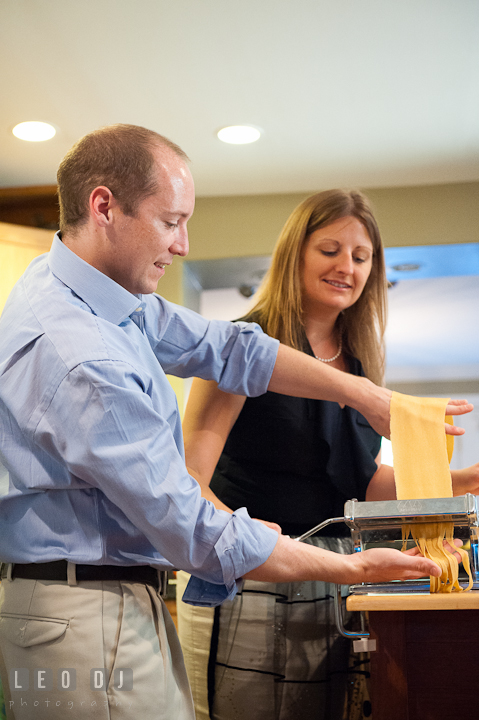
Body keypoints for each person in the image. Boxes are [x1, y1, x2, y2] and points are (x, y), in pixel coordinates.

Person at [0, 126, 470, 720]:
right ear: (104, 208)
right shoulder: (82, 356)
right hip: (92, 604)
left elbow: (229, 349)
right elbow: (195, 526)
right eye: (171, 221)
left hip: (102, 595)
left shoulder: (91, 291)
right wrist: (351, 567)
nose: (183, 245)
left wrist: (364, 396)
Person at [176, 189, 479, 720]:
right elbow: (189, 481)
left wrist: (465, 480)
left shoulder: (358, 368)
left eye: (361, 258)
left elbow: (362, 485)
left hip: (334, 578)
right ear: (296, 252)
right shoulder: (242, 346)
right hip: (252, 580)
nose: (347, 267)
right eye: (330, 250)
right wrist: (242, 540)